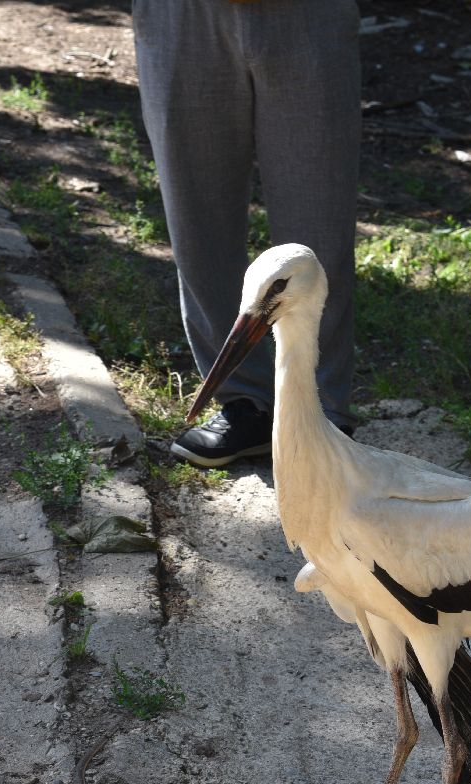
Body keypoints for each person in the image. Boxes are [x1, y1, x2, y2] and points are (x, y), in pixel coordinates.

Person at [131, 0, 361, 466]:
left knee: (318, 219)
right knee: (197, 219)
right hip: (181, 15)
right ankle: (245, 403)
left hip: (305, 14)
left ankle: (320, 412)